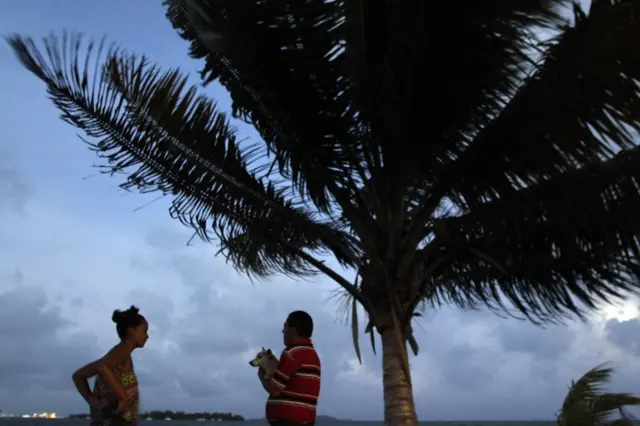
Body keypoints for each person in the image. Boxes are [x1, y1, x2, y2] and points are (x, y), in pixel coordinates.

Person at [72, 306, 149, 426]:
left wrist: (92, 401)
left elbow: (78, 376)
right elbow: (102, 367)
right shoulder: (122, 350)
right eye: (144, 330)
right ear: (131, 330)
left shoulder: (119, 355)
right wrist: (123, 398)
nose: (147, 336)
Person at [258, 311, 321, 426]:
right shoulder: (312, 355)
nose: (283, 331)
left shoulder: (291, 353)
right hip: (306, 419)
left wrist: (262, 376)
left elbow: (275, 389)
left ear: (294, 329)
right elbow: (293, 382)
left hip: (288, 421)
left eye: (285, 327)